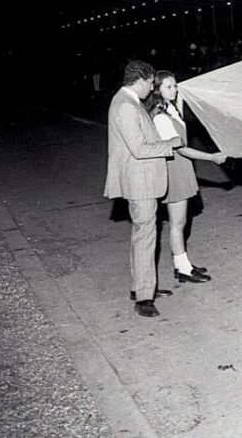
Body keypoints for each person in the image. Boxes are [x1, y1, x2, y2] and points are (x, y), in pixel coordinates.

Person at [104, 60, 182, 318]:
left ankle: (142, 287)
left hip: (143, 181)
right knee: (145, 237)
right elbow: (138, 150)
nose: (152, 88)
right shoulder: (126, 106)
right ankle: (144, 298)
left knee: (144, 236)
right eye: (151, 83)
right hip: (140, 183)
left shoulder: (129, 102)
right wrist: (169, 143)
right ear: (141, 80)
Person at [144, 71, 228, 284]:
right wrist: (212, 157)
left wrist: (180, 95)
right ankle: (182, 269)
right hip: (175, 169)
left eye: (176, 85)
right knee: (177, 223)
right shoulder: (161, 118)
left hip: (181, 169)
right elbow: (181, 149)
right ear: (157, 90)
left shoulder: (170, 110)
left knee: (181, 222)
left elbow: (180, 119)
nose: (175, 90)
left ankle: (184, 264)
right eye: (169, 87)